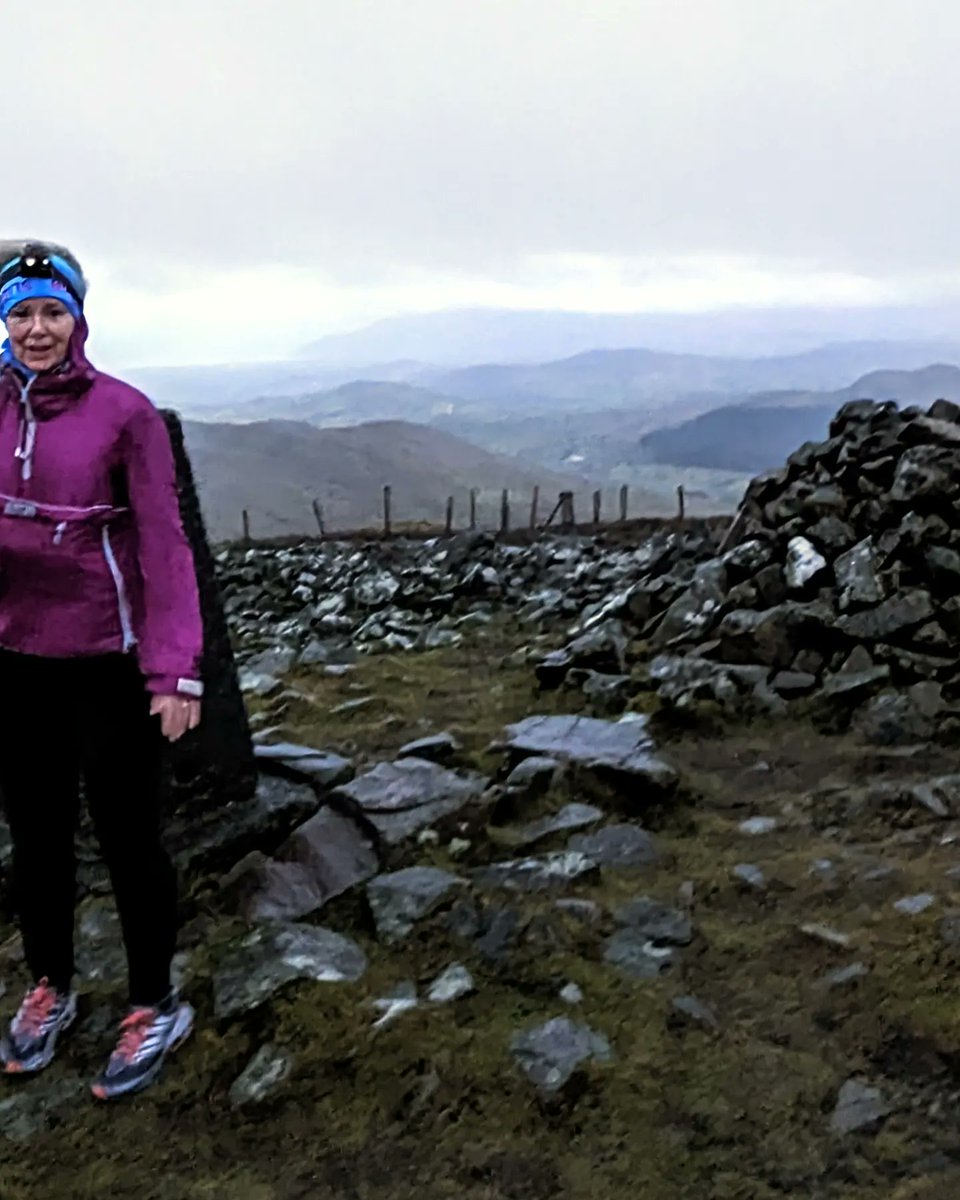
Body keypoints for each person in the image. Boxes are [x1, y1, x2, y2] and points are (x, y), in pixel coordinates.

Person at [0, 241, 203, 1100]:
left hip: (109, 660)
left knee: (127, 838)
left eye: (52, 312)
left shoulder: (126, 414)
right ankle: (51, 986)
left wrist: (175, 671)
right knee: (36, 837)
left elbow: (163, 543)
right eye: (20, 313)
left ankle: (153, 999)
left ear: (79, 317)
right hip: (14, 659)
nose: (37, 329)